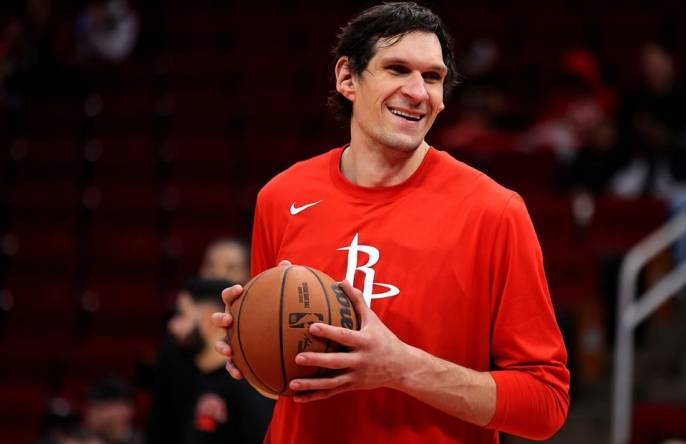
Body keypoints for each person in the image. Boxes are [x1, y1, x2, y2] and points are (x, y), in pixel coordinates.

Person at [212, 3, 570, 443]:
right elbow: (287, 377)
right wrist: (255, 348)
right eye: (397, 69)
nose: (418, 92)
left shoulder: (494, 211)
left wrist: (401, 368)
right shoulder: (281, 197)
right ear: (347, 78)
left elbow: (545, 403)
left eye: (432, 77)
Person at [147, 278, 273, 444]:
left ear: (208, 321)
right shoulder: (181, 371)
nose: (172, 326)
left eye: (181, 314)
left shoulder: (247, 385)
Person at [83, 377, 143, 444]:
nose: (95, 414)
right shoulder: (80, 439)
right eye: (94, 407)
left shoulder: (142, 440)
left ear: (127, 410)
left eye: (104, 408)